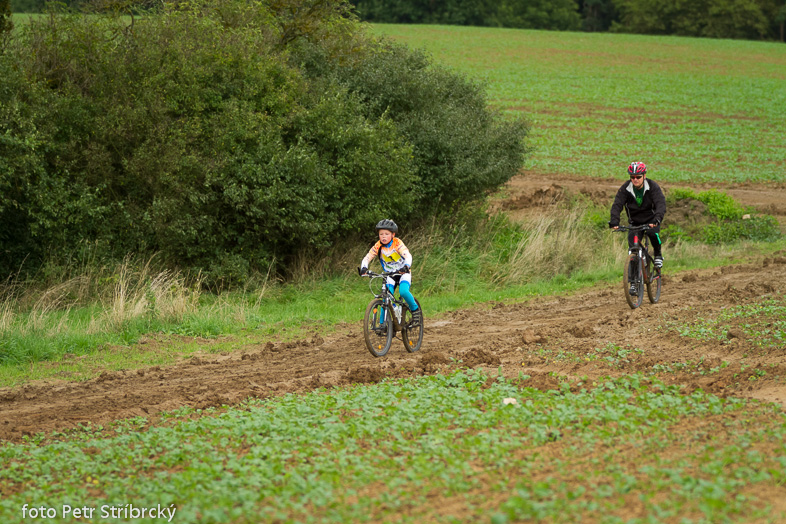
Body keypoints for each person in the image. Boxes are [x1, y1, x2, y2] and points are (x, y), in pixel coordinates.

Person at [609, 162, 666, 293]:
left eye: (638, 177)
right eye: (632, 177)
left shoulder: (652, 187)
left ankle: (658, 255)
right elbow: (617, 205)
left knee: (653, 234)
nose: (635, 179)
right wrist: (614, 221)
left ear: (644, 176)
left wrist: (657, 219)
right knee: (633, 250)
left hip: (651, 220)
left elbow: (660, 204)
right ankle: (633, 283)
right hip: (635, 222)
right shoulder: (625, 188)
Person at [359, 219, 421, 328]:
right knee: (385, 297)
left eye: (386, 234)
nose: (383, 236)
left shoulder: (397, 243)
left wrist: (406, 266)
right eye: (381, 234)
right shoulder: (378, 246)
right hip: (389, 275)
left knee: (403, 291)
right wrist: (364, 268)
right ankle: (382, 324)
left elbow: (408, 255)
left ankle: (415, 311)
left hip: (403, 273)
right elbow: (367, 257)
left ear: (393, 234)